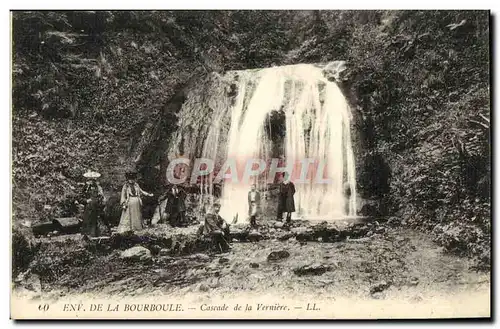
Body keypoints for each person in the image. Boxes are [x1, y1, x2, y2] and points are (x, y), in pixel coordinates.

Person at [79, 170, 106, 237]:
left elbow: (101, 196)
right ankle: (86, 236)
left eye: (93, 180)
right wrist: (86, 200)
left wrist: (100, 200)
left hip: (96, 207)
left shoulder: (97, 187)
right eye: (90, 180)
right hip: (88, 207)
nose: (91, 181)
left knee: (96, 221)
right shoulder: (85, 187)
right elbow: (80, 197)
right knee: (87, 221)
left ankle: (95, 235)